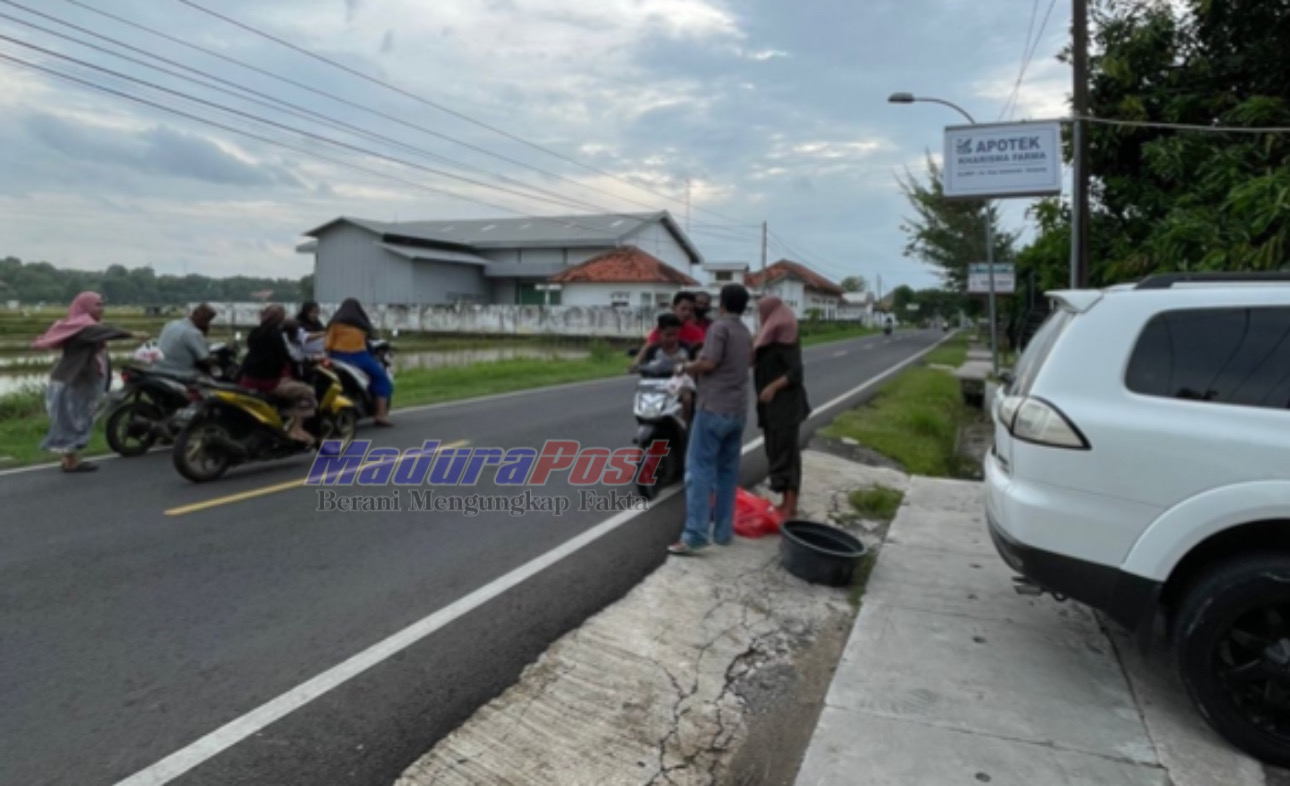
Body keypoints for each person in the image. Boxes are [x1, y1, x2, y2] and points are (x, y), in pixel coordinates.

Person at [668, 283, 753, 555]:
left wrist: (685, 367)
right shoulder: (745, 331)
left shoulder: (719, 328)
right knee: (727, 472)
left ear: (722, 304)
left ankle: (695, 534)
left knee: (698, 470)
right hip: (738, 410)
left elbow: (709, 362)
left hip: (713, 407)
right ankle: (723, 531)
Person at [32, 292, 147, 472]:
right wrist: (132, 334)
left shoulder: (79, 326)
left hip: (72, 380)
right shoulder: (84, 328)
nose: (102, 309)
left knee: (74, 419)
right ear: (85, 307)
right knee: (75, 420)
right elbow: (104, 331)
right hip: (73, 382)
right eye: (97, 305)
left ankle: (69, 459)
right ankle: (71, 461)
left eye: (102, 305)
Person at [752, 296, 811, 520]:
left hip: (785, 405)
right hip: (771, 407)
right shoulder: (770, 336)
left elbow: (796, 373)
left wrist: (772, 387)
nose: (760, 316)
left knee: (787, 454)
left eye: (762, 312)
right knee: (775, 451)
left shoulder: (786, 338)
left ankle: (790, 505)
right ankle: (785, 502)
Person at [239, 305, 318, 445]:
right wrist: (304, 365)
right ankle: (296, 428)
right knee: (307, 391)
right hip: (268, 382)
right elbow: (285, 357)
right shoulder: (275, 334)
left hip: (246, 380)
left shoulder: (254, 332)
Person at [325, 298, 394, 426]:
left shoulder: (335, 323)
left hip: (336, 357)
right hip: (358, 357)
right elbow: (368, 342)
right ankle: (380, 415)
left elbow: (328, 344)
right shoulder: (361, 325)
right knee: (381, 379)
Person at [632, 312, 697, 422]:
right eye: (668, 335)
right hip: (657, 385)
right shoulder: (653, 350)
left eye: (675, 335)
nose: (672, 339)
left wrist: (686, 367)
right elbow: (644, 366)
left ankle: (686, 423)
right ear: (660, 333)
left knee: (687, 398)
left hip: (680, 384)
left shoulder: (686, 349)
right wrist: (636, 367)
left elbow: (695, 367)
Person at [632, 291, 704, 368]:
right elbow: (647, 348)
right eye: (683, 309)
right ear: (673, 308)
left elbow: (702, 354)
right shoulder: (662, 328)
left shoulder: (697, 332)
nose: (687, 313)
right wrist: (635, 365)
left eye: (690, 310)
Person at [153, 303, 218, 379]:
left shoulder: (171, 324)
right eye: (206, 320)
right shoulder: (193, 333)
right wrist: (216, 359)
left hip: (157, 369)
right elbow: (204, 360)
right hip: (179, 373)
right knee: (211, 381)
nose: (206, 323)